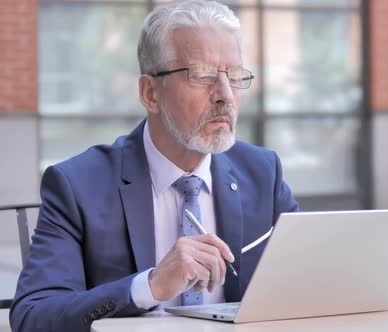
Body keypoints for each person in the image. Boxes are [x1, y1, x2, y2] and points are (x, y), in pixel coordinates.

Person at [10, 1, 299, 331]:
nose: (225, 95)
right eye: (202, 76)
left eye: (234, 76)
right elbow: (33, 315)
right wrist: (149, 286)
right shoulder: (77, 185)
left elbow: (314, 280)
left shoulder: (263, 173)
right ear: (150, 93)